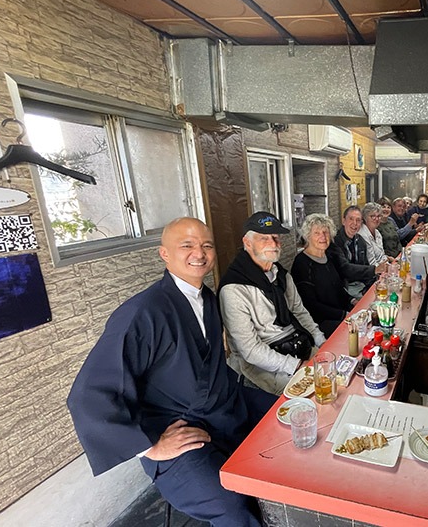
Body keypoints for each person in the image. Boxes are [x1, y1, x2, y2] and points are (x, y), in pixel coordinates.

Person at [67, 217, 275, 527]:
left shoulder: (206, 298)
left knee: (290, 415)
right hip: (176, 427)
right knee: (230, 504)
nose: (199, 253)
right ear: (164, 253)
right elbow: (87, 394)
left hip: (223, 405)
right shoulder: (142, 312)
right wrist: (149, 447)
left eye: (206, 246)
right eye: (187, 245)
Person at [219, 211, 325, 395]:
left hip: (299, 344)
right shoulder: (234, 289)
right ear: (247, 243)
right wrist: (296, 366)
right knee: (316, 394)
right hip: (264, 367)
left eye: (276, 237)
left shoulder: (282, 276)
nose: (274, 244)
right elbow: (250, 350)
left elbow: (299, 312)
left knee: (337, 372)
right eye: (264, 238)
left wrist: (321, 341)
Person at [291, 213, 355, 337]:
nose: (323, 237)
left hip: (340, 314)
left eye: (326, 232)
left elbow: (338, 288)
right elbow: (311, 306)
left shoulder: (329, 256)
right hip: (320, 322)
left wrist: (352, 300)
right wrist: (344, 315)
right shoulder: (302, 264)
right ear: (308, 236)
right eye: (317, 233)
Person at [331, 205, 388, 296]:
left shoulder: (360, 240)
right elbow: (345, 269)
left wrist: (372, 287)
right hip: (344, 289)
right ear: (343, 221)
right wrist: (374, 269)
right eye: (351, 219)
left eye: (358, 220)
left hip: (361, 286)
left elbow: (365, 265)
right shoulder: (335, 241)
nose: (355, 223)